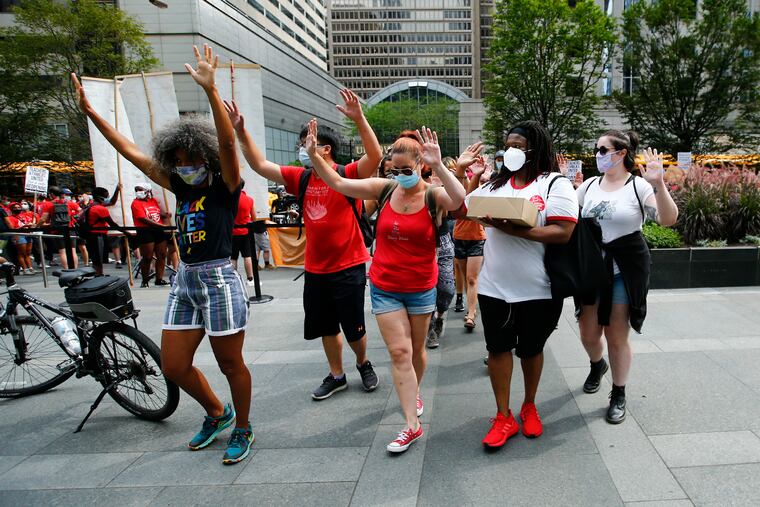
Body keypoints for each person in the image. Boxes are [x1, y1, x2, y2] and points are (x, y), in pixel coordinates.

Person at [72, 44, 254, 464]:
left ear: (203, 157)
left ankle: (243, 427)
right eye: (176, 160)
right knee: (172, 365)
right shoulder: (182, 188)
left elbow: (228, 144)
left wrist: (210, 92)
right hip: (185, 279)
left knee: (230, 363)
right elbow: (131, 152)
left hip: (219, 278)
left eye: (189, 159)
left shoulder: (224, 187)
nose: (183, 165)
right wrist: (92, 115)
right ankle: (217, 411)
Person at [306, 120, 465, 453]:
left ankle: (413, 390)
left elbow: (459, 198)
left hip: (422, 287)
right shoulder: (384, 189)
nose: (399, 175)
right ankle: (410, 425)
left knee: (417, 351)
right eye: (393, 169)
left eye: (406, 169)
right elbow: (337, 181)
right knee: (399, 352)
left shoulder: (434, 195)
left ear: (420, 166)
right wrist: (313, 156)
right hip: (384, 286)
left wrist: (439, 165)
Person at [224, 89, 383, 400]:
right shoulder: (302, 178)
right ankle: (336, 374)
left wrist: (359, 118)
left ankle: (362, 363)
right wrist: (240, 131)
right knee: (326, 326)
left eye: (307, 145)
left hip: (349, 264)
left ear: (325, 149)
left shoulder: (346, 174)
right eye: (302, 145)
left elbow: (375, 157)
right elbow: (259, 164)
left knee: (354, 327)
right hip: (316, 268)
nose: (302, 150)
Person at [466, 121, 578, 448]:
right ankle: (503, 416)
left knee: (531, 349)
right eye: (508, 145)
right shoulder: (497, 183)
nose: (512, 151)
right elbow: (464, 206)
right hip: (494, 286)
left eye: (520, 145)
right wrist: (460, 173)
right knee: (497, 349)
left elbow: (563, 232)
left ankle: (530, 405)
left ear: (537, 148)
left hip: (539, 287)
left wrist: (519, 230)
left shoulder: (554, 183)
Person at [576, 131, 678, 424]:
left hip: (624, 269)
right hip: (593, 268)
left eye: (603, 149)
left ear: (621, 153)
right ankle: (598, 365)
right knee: (588, 334)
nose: (598, 154)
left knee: (616, 336)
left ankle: (618, 392)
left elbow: (668, 219)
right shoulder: (590, 186)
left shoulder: (639, 186)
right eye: (596, 149)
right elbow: (569, 214)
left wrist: (658, 183)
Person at [454, 144, 487, 330]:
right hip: (460, 236)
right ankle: (470, 305)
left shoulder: (483, 186)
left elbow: (473, 198)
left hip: (477, 238)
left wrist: (478, 176)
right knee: (467, 278)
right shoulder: (460, 185)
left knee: (472, 278)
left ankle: (471, 313)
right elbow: (461, 203)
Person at [426, 156, 458, 349]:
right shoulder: (418, 187)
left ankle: (440, 315)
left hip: (443, 241)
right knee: (427, 290)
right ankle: (430, 329)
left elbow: (445, 214)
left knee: (446, 290)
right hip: (422, 244)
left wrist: (439, 190)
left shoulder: (442, 189)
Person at [82, 186, 128, 275]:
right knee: (98, 257)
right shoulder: (100, 209)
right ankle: (99, 275)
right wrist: (126, 232)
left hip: (91, 234)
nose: (107, 198)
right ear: (100, 197)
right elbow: (112, 223)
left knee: (96, 256)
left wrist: (117, 190)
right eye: (106, 196)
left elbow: (112, 202)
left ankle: (99, 273)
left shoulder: (92, 204)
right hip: (97, 235)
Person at [131, 184, 170, 287]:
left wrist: (164, 216)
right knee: (147, 257)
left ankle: (159, 279)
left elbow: (156, 214)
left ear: (148, 191)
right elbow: (143, 219)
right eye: (136, 190)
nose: (138, 192)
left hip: (159, 230)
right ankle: (145, 280)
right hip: (145, 230)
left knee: (162, 255)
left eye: (140, 189)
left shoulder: (153, 201)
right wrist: (161, 225)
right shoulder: (135, 203)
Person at [39, 186, 82, 268]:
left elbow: (43, 218)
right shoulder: (69, 203)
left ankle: (66, 270)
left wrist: (37, 225)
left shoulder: (48, 204)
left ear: (51, 194)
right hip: (70, 228)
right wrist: (73, 217)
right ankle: (75, 269)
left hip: (57, 229)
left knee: (62, 251)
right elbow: (81, 211)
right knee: (73, 250)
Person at [231, 181, 256, 286]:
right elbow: (254, 218)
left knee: (233, 257)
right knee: (247, 256)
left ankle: (233, 280)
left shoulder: (230, 199)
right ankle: (250, 279)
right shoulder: (249, 200)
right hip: (246, 232)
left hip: (232, 232)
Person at [5, 204, 34, 274]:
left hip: (28, 234)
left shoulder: (24, 216)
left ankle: (30, 268)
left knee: (28, 253)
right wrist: (24, 226)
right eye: (15, 207)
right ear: (12, 209)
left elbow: (29, 223)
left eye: (19, 207)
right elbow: (12, 228)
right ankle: (24, 269)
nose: (17, 208)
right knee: (21, 253)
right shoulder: (10, 218)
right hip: (19, 235)